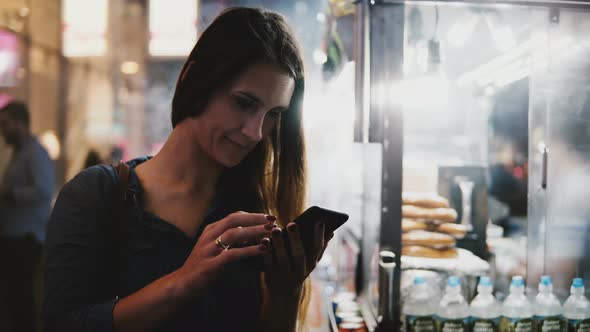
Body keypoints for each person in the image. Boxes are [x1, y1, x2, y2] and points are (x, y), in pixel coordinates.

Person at [44, 7, 332, 332]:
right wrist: (182, 281)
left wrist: (286, 292)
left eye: (274, 114)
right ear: (195, 79)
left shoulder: (253, 208)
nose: (255, 131)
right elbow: (62, 324)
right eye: (244, 103)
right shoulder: (96, 194)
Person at [0, 101, 55, 332]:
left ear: (20, 123)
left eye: (5, 124)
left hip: (25, 238)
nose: (2, 130)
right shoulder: (20, 153)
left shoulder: (35, 153)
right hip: (14, 235)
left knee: (21, 298)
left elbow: (43, 189)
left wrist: (11, 195)